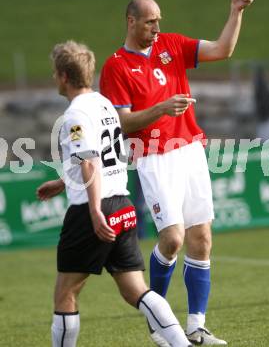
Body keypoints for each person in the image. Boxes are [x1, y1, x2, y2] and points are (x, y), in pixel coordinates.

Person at [100, 0, 254, 346]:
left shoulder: (171, 45)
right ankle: (159, 316)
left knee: (201, 237)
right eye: (150, 22)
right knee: (171, 239)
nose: (157, 28)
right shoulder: (116, 66)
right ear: (131, 21)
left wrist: (235, 11)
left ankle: (196, 326)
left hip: (189, 150)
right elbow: (122, 121)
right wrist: (162, 109)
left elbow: (222, 50)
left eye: (159, 21)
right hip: (152, 157)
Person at [36, 40, 193, 347]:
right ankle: (181, 344)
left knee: (66, 292)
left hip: (94, 209)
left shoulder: (75, 114)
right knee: (135, 289)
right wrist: (65, 181)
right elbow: (103, 158)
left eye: (55, 73)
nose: (55, 78)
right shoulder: (104, 104)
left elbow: (91, 159)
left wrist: (94, 209)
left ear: (64, 77)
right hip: (121, 202)